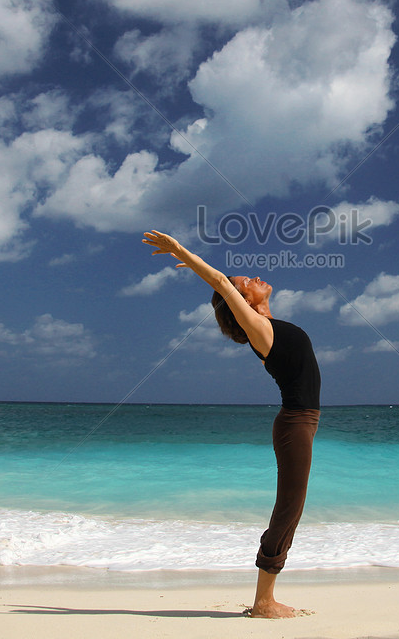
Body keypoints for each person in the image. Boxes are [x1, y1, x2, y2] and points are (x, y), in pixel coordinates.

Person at [142, 230, 321, 619]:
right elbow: (221, 283)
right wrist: (181, 253)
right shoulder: (263, 333)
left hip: (301, 423)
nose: (253, 277)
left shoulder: (267, 332)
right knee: (289, 509)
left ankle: (266, 595)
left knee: (292, 507)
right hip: (295, 424)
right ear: (240, 301)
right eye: (245, 283)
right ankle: (263, 601)